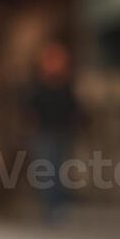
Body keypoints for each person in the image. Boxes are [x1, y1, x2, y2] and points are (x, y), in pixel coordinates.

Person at [26, 43, 82, 224]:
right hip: (43, 133)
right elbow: (29, 107)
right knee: (46, 170)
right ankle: (50, 206)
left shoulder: (65, 84)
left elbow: (73, 108)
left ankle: (59, 205)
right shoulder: (38, 84)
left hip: (61, 132)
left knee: (59, 170)